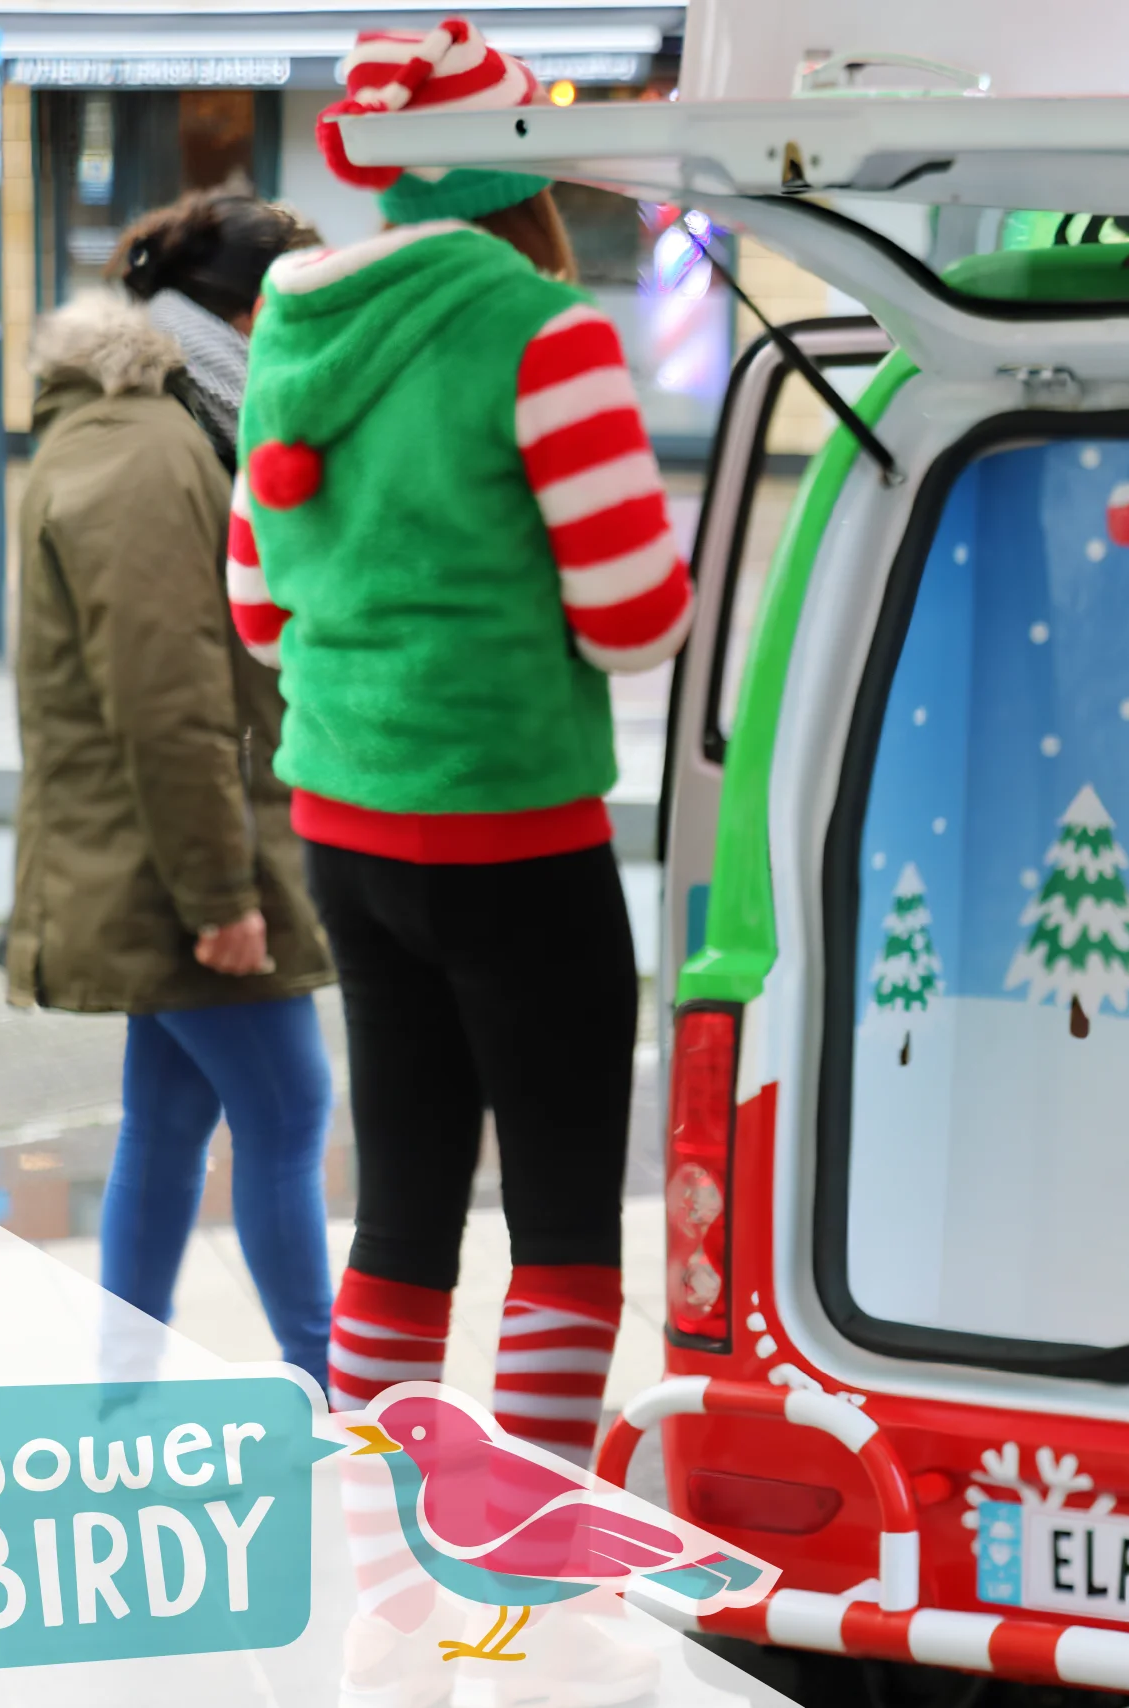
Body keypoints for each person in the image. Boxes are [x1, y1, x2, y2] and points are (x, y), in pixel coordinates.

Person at [232, 18, 689, 1463]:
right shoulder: (542, 333)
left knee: (405, 1205)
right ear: (518, 163)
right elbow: (635, 616)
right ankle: (536, 1555)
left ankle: (383, 1524)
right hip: (513, 830)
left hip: (345, 835)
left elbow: (256, 612)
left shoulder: (290, 330)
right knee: (558, 1218)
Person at [10, 192, 336, 1391]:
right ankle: (335, 1388)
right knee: (292, 1106)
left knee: (173, 1119)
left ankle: (120, 1388)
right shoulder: (155, 446)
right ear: (251, 311)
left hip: (160, 843)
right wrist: (219, 894)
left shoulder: (171, 421)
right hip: (174, 854)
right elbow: (165, 690)